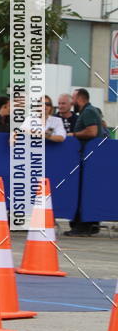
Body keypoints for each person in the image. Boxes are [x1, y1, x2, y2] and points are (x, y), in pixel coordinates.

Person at [65, 88, 103, 237]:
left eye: (73, 99)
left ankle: (82, 226)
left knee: (83, 192)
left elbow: (92, 131)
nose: (71, 102)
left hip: (87, 159)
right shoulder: (88, 111)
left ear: (79, 99)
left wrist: (73, 134)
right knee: (87, 192)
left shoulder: (88, 112)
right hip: (88, 159)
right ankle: (90, 224)